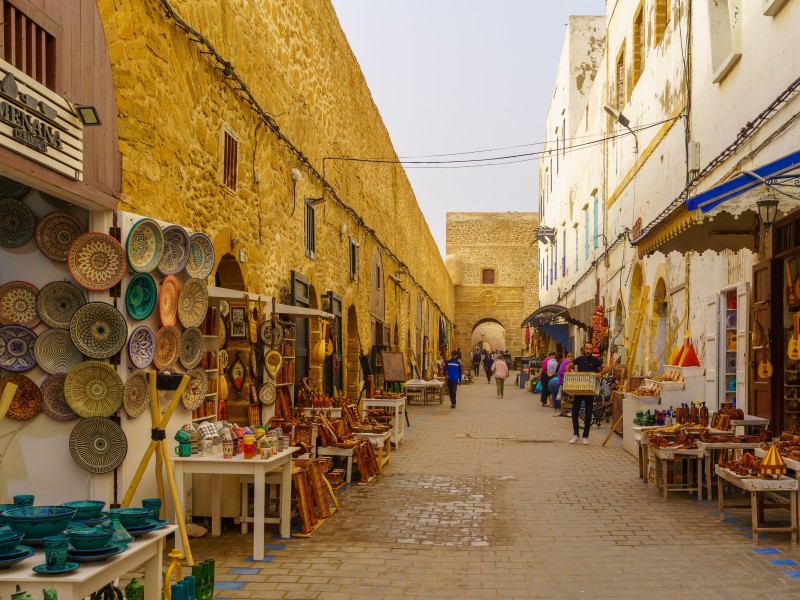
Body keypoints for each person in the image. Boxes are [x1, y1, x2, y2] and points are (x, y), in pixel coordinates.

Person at [570, 342, 610, 444]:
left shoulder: (596, 361)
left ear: (592, 350)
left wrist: (600, 374)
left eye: (590, 349)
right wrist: (570, 374)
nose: (588, 351)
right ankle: (576, 434)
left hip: (590, 390)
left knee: (588, 413)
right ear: (584, 349)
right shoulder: (579, 359)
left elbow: (608, 368)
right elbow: (568, 366)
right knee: (574, 413)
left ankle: (585, 436)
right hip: (579, 389)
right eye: (586, 349)